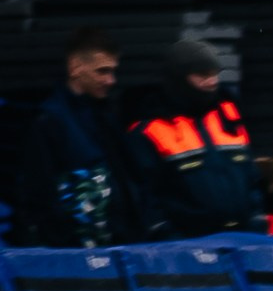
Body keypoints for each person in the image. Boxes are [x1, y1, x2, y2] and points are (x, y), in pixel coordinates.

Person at [13, 27, 148, 247]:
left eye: (113, 71)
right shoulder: (49, 121)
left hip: (118, 247)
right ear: (76, 67)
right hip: (76, 254)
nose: (111, 80)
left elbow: (131, 180)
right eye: (102, 71)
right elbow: (39, 195)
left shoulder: (106, 118)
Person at [124, 39, 260, 237]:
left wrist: (257, 221)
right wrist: (166, 236)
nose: (212, 82)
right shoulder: (150, 130)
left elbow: (251, 176)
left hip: (243, 241)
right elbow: (144, 197)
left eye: (215, 74)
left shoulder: (228, 115)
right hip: (188, 251)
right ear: (180, 78)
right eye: (203, 76)